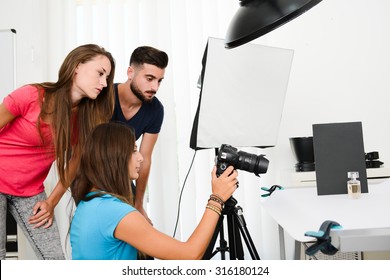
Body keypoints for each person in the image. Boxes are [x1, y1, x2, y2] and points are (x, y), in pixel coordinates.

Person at [0, 44, 116, 260]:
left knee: (54, 260)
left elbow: (74, 164)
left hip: (29, 190)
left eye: (107, 78)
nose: (104, 83)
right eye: (100, 73)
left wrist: (51, 202)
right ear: (77, 67)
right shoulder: (31, 95)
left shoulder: (86, 118)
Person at [70, 122, 238, 260]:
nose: (140, 157)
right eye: (133, 150)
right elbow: (189, 255)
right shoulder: (114, 212)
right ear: (114, 157)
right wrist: (217, 199)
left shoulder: (88, 204)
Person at [111, 46, 168, 224]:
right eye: (149, 79)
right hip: (92, 176)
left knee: (142, 243)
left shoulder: (156, 109)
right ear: (130, 72)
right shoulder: (103, 97)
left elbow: (145, 158)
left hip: (122, 175)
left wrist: (139, 203)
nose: (155, 87)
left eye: (159, 81)